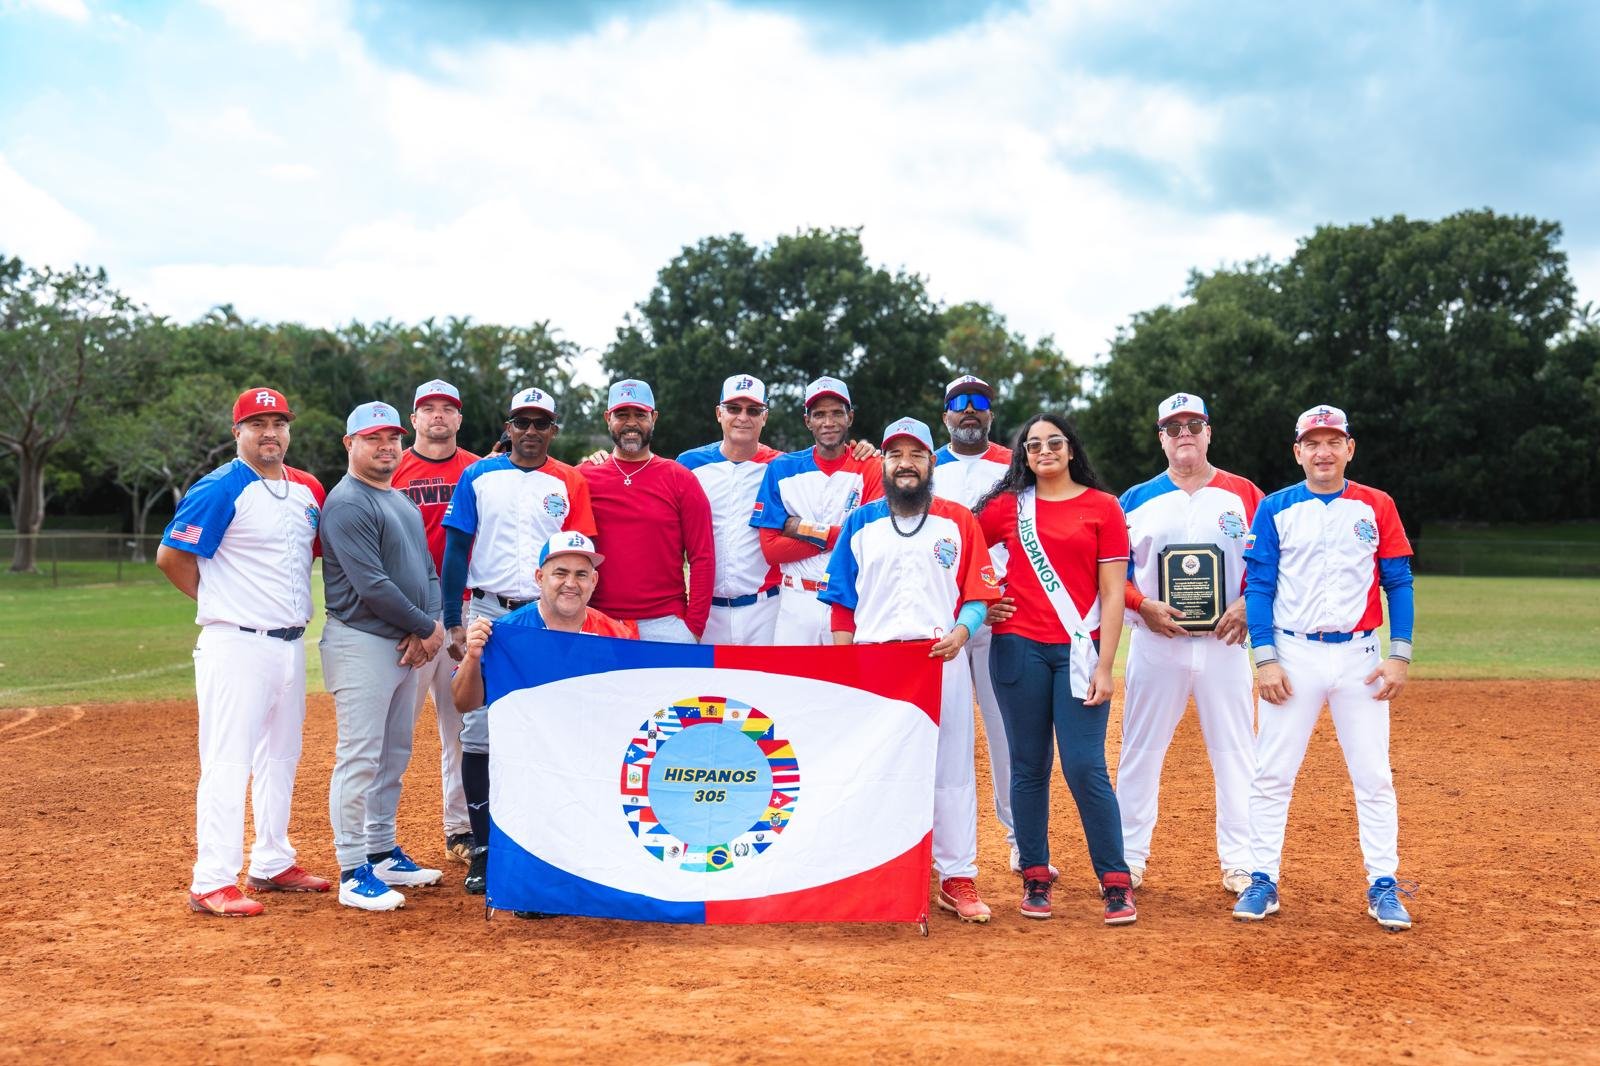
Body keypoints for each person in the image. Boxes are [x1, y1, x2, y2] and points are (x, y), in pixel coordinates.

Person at [1232, 405, 1417, 931]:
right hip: (1293, 655)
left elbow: (1398, 583)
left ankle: (1384, 884)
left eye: (1333, 440)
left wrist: (1399, 654)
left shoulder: (1376, 505)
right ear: (1298, 451)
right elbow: (1260, 588)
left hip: (1360, 655)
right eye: (1312, 442)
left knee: (1374, 776)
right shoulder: (1275, 508)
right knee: (1272, 773)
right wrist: (1264, 658)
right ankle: (1261, 878)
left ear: (1349, 448)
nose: (1323, 451)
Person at [157, 387, 332, 917]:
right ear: (238, 433)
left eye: (278, 423)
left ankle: (272, 860)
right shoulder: (220, 487)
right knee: (228, 761)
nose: (270, 433)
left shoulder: (305, 489)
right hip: (234, 642)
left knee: (281, 756)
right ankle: (211, 879)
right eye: (257, 424)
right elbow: (172, 557)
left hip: (287, 644)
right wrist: (219, 600)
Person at [821, 417, 1001, 924]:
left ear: (931, 464)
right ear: (883, 462)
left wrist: (963, 633)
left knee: (951, 772)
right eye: (896, 454)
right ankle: (870, 872)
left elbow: (977, 594)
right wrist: (845, 662)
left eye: (916, 455)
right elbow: (841, 602)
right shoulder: (860, 523)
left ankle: (956, 876)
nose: (906, 464)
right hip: (877, 661)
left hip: (938, 657)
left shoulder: (959, 520)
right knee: (875, 767)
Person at [975, 413, 1135, 925]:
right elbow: (960, 550)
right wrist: (987, 598)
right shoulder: (1005, 508)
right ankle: (1036, 875)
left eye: (1055, 442)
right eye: (1034, 445)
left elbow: (1113, 594)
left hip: (1079, 651)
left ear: (1071, 449)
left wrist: (1106, 665)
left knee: (1086, 765)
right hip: (1017, 646)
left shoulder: (1103, 507)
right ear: (1023, 455)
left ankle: (1115, 881)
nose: (1044, 451)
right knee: (1028, 766)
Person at [441, 386, 596, 895]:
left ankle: (549, 842)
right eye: (522, 422)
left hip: (552, 615)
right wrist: (454, 620)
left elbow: (581, 557)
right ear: (508, 427)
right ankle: (483, 848)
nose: (531, 431)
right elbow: (457, 550)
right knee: (480, 727)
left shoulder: (569, 479)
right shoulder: (478, 475)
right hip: (490, 609)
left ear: (554, 429)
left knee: (548, 722)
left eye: (541, 423)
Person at [1117, 393, 1263, 896]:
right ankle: (1127, 860)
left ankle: (1242, 862)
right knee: (1141, 750)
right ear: (1161, 437)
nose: (1184, 433)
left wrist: (1247, 604)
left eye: (1193, 424)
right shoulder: (1135, 499)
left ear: (1208, 432)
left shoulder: (1244, 494)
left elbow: (1268, 564)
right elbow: (1112, 575)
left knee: (1236, 751)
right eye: (1173, 426)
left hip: (1226, 642)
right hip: (1158, 644)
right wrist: (1141, 606)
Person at [319, 401, 446, 912]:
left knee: (393, 754)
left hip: (403, 643)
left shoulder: (399, 500)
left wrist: (431, 627)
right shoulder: (348, 502)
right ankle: (352, 869)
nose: (386, 445)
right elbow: (372, 586)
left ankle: (381, 848)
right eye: (373, 438)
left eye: (392, 437)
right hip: (362, 642)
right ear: (350, 445)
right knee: (360, 756)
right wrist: (426, 628)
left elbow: (429, 573)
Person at [930, 373, 1028, 875]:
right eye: (959, 402)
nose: (970, 410)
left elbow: (1025, 539)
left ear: (991, 412)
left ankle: (1020, 838)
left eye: (979, 402)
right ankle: (927, 840)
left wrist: (1007, 594)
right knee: (937, 732)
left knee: (1007, 731)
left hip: (998, 614)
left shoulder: (1015, 466)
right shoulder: (925, 464)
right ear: (945, 413)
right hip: (940, 620)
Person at [389, 378, 479, 865]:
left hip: (464, 610)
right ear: (414, 418)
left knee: (463, 726)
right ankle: (378, 841)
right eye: (429, 408)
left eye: (448, 408)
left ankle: (460, 829)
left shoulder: (479, 470)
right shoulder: (392, 468)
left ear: (460, 419)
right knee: (392, 730)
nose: (438, 415)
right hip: (406, 613)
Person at [578, 379, 716, 642]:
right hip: (597, 621)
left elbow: (703, 556)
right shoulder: (584, 477)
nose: (631, 423)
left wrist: (693, 627)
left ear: (654, 417)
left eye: (640, 414)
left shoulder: (680, 478)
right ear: (608, 418)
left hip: (665, 624)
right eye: (621, 414)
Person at [752, 377, 883, 644]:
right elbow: (771, 550)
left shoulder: (870, 466)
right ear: (807, 421)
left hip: (851, 601)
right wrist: (841, 537)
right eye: (819, 414)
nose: (828, 422)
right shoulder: (782, 468)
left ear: (850, 417)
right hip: (796, 602)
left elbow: (872, 543)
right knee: (790, 685)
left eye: (837, 413)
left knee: (849, 685)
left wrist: (800, 527)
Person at [451, 531, 639, 713]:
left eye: (581, 574)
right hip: (527, 743)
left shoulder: (618, 638)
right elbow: (463, 703)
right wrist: (472, 658)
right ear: (540, 578)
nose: (571, 583)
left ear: (594, 580)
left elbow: (639, 701)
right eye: (561, 573)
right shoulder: (506, 634)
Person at [674, 375, 783, 645]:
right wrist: (601, 460)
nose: (743, 417)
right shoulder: (689, 464)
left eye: (753, 410)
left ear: (765, 417)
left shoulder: (782, 467)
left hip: (767, 609)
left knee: (765, 687)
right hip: (706, 611)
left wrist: (862, 450)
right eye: (734, 408)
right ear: (719, 413)